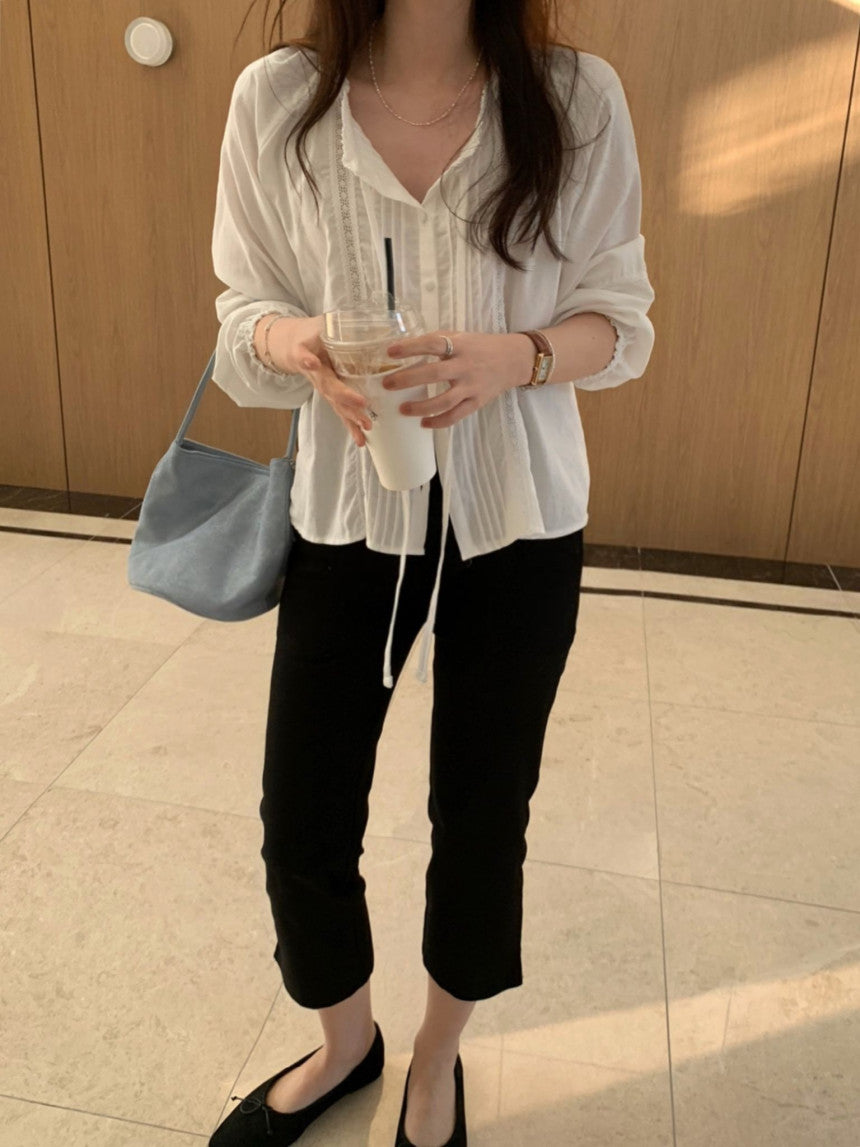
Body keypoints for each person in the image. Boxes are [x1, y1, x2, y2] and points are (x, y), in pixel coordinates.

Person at [208, 2, 655, 1144]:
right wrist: (297, 342)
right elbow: (243, 309)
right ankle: (345, 1042)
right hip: (349, 512)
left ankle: (437, 1056)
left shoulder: (574, 99)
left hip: (520, 517)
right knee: (301, 813)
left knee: (482, 812)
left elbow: (620, 323)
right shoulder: (278, 100)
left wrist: (514, 356)